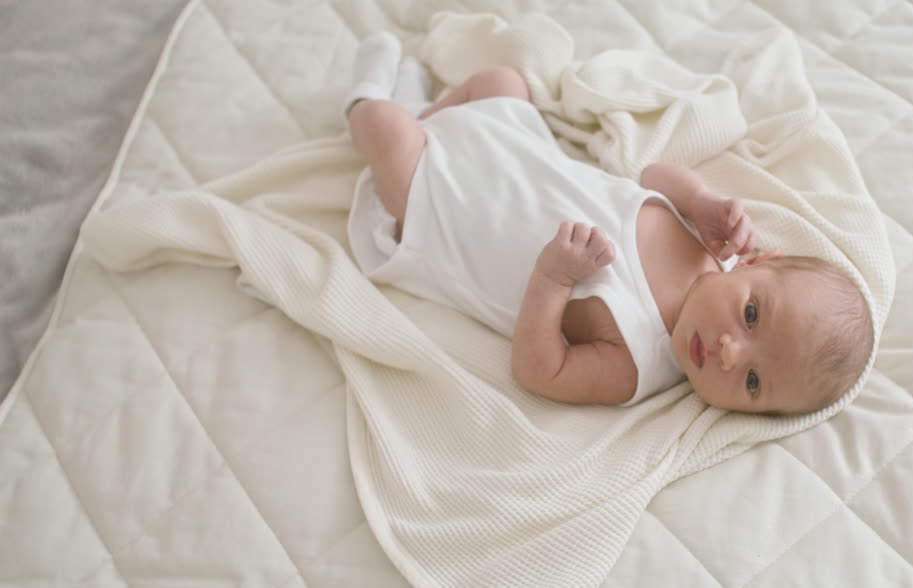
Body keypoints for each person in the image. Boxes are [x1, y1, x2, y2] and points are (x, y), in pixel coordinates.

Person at [343, 33, 873, 414]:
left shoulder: (636, 364)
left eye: (754, 382)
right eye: (752, 313)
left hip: (451, 212)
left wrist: (554, 278)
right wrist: (701, 201)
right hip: (516, 152)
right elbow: (651, 175)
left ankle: (368, 93)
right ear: (757, 262)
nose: (730, 351)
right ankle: (420, 107)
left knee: (384, 129)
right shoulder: (712, 245)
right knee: (502, 81)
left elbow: (538, 372)